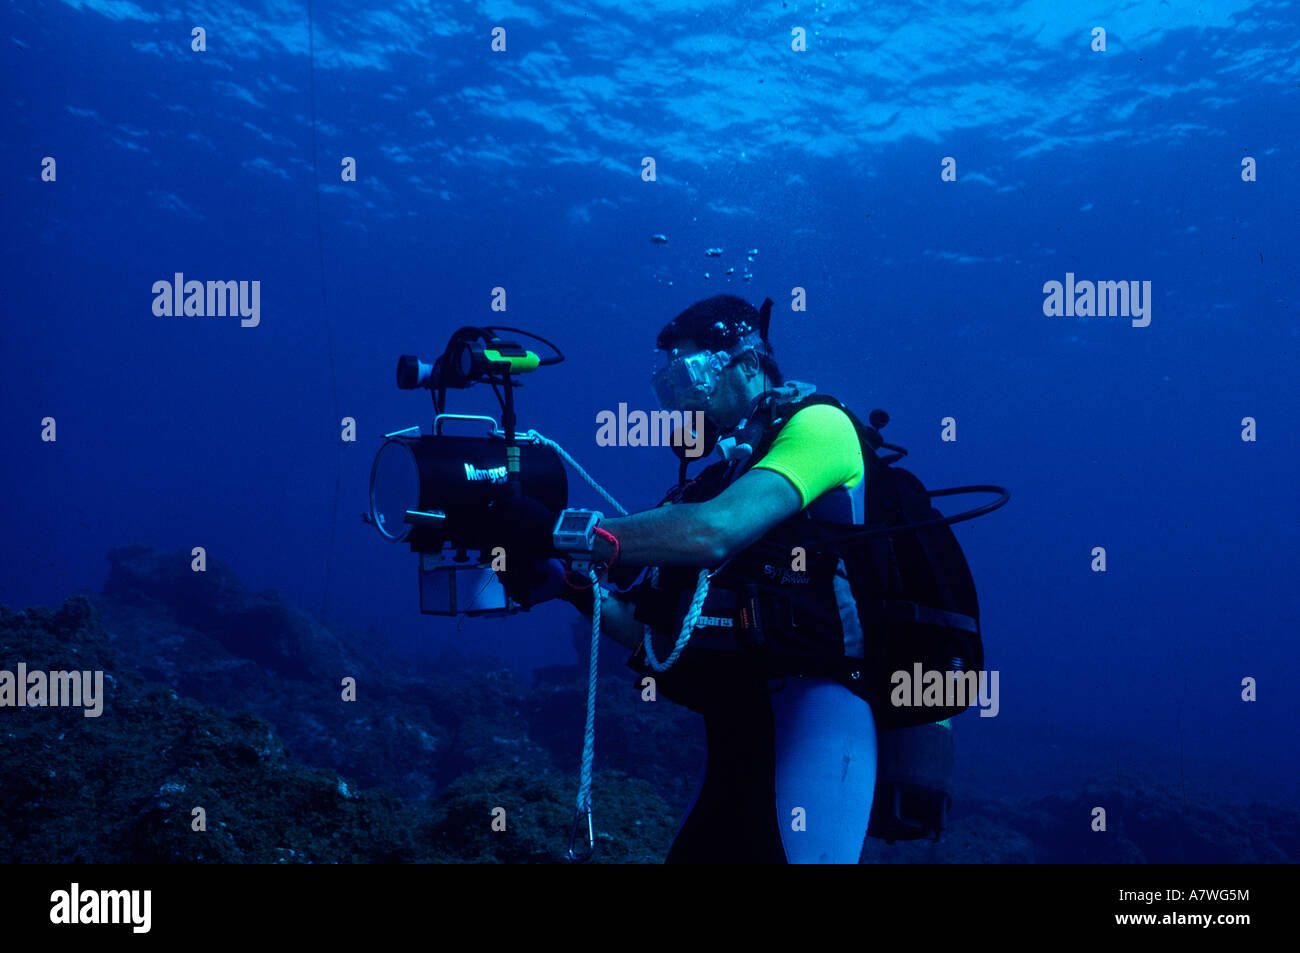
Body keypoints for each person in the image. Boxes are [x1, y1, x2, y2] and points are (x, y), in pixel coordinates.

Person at [489, 294, 878, 864]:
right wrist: (571, 586)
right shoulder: (720, 477)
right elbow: (660, 639)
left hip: (822, 704)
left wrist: (561, 534)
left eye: (691, 373)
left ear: (749, 360)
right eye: (669, 383)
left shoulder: (820, 426)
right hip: (736, 718)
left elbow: (713, 532)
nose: (683, 398)